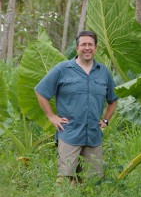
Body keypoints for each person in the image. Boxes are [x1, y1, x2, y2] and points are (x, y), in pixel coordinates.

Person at [34, 30, 118, 185]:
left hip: (93, 134)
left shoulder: (103, 72)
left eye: (90, 45)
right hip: (70, 132)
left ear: (95, 48)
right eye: (83, 44)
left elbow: (113, 99)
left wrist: (106, 120)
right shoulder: (62, 69)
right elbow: (40, 91)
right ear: (77, 48)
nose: (87, 48)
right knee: (65, 179)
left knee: (93, 181)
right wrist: (51, 116)